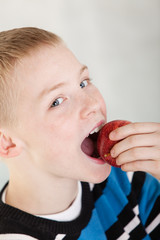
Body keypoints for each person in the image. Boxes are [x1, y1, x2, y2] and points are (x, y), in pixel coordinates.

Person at [0, 27, 159, 240]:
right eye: (56, 101)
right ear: (6, 142)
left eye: (83, 82)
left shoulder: (126, 183)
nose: (92, 104)